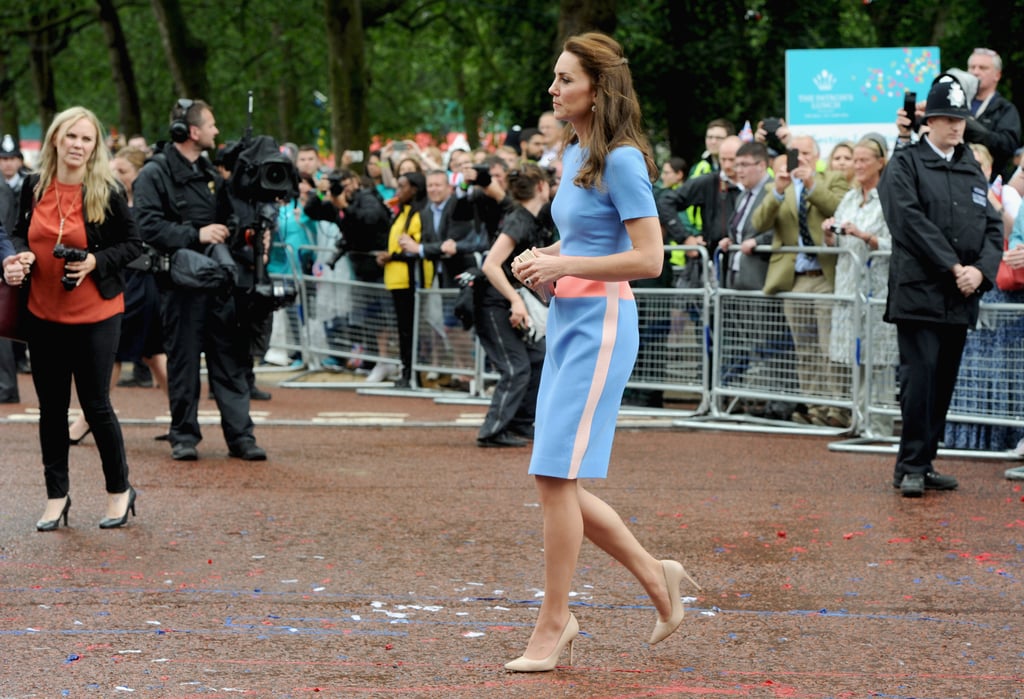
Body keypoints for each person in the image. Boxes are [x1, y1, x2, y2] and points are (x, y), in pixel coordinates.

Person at [505, 32, 700, 673]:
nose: (553, 89)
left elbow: (649, 259)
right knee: (554, 475)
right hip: (570, 315)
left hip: (603, 323)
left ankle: (556, 622)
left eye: (565, 79)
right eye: (555, 78)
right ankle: (656, 577)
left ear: (598, 87)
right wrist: (550, 261)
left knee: (552, 475)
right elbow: (584, 236)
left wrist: (562, 260)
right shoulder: (576, 149)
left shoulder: (621, 158)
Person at [2, 106, 143, 530]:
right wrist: (17, 257)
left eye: (87, 139)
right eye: (72, 137)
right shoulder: (32, 186)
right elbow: (13, 234)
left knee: (96, 406)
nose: (78, 145)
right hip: (43, 312)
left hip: (97, 313)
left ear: (94, 146)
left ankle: (120, 491)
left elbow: (134, 244)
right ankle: (56, 496)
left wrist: (96, 261)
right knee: (50, 410)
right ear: (56, 141)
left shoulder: (106, 189)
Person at [879, 75, 1003, 498]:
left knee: (943, 381)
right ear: (927, 121)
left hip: (960, 294)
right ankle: (911, 464)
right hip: (919, 292)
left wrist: (981, 272)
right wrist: (952, 265)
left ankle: (924, 460)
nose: (955, 126)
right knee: (920, 379)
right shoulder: (907, 163)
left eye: (960, 119)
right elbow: (908, 222)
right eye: (946, 119)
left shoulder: (970, 165)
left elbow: (991, 227)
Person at [133, 98, 267, 462]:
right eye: (211, 125)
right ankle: (184, 436)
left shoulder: (211, 175)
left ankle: (241, 438)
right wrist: (197, 234)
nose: (216, 131)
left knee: (231, 361)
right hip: (180, 287)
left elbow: (229, 221)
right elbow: (146, 226)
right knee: (183, 363)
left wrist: (246, 231)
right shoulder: (155, 173)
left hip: (220, 284)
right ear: (193, 132)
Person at [68, 145, 169, 443]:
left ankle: (85, 420)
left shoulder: (145, 207)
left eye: (123, 172)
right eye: (113, 171)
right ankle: (183, 418)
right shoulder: (107, 200)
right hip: (123, 279)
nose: (115, 177)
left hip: (137, 283)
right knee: (153, 356)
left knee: (109, 354)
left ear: (140, 174)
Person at [753, 133, 850, 427]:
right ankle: (814, 407)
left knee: (829, 347)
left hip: (825, 275)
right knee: (804, 348)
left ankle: (838, 409)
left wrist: (811, 183)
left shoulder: (831, 179)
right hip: (795, 277)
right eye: (796, 153)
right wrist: (779, 192)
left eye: (806, 153)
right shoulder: (777, 185)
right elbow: (758, 224)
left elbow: (839, 209)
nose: (801, 158)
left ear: (817, 157)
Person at [943, 143, 1024, 455]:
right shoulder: (949, 194)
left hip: (998, 289)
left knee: (1003, 366)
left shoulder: (1005, 195)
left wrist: (992, 200)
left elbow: (1013, 231)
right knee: (970, 364)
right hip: (963, 286)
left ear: (990, 169)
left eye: (980, 164)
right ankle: (967, 436)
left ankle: (1004, 436)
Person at [475, 163, 552, 447]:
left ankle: (520, 423)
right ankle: (492, 431)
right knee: (515, 366)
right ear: (542, 187)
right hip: (493, 303)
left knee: (538, 356)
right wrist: (516, 300)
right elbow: (491, 265)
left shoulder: (526, 216)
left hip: (505, 301)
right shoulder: (519, 218)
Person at [822, 134, 895, 433]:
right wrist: (830, 233)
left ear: (880, 162)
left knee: (879, 360)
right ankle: (858, 420)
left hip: (879, 288)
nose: (858, 165)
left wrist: (866, 236)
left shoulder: (890, 197)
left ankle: (878, 424)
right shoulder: (850, 197)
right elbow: (834, 244)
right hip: (849, 285)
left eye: (864, 159)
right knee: (854, 357)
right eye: (855, 159)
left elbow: (898, 243)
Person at [376, 172, 431, 388]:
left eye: (402, 187)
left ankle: (411, 373)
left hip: (410, 281)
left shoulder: (417, 214)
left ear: (414, 189)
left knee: (410, 329)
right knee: (403, 329)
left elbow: (413, 248)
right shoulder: (401, 213)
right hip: (396, 280)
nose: (397, 191)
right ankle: (407, 371)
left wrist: (392, 256)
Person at [965, 48, 1022, 182]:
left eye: (983, 68)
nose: (976, 72)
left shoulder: (1005, 109)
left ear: (997, 75)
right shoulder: (957, 103)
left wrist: (973, 128)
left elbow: (1008, 146)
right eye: (972, 67)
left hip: (990, 182)